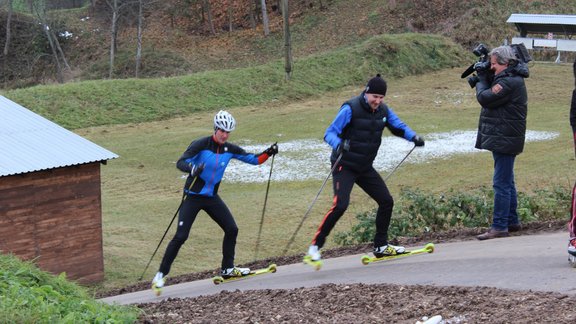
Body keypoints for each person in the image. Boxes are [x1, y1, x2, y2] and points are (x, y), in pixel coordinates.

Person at [152, 110, 278, 291]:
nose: (225, 135)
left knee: (232, 229)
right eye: (222, 131)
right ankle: (160, 275)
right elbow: (181, 162)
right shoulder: (200, 144)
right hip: (193, 198)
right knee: (181, 236)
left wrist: (269, 152)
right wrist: (193, 168)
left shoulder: (229, 149)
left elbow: (254, 160)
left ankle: (227, 269)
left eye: (228, 132)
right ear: (215, 128)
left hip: (211, 198)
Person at [305, 74, 425, 263]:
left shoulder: (383, 110)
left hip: (364, 167)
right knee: (340, 205)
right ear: (366, 93)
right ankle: (315, 247)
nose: (377, 101)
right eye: (374, 97)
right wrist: (339, 144)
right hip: (344, 165)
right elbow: (329, 133)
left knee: (386, 201)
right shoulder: (350, 108)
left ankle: (381, 246)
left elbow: (398, 126)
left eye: (381, 97)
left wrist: (414, 137)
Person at [474, 45, 529, 240]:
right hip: (505, 135)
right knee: (507, 180)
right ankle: (511, 221)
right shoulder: (509, 78)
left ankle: (499, 226)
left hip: (505, 137)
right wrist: (485, 78)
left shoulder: (509, 82)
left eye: (494, 64)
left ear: (505, 63)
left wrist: (481, 80)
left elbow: (485, 98)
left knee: (501, 183)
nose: (491, 67)